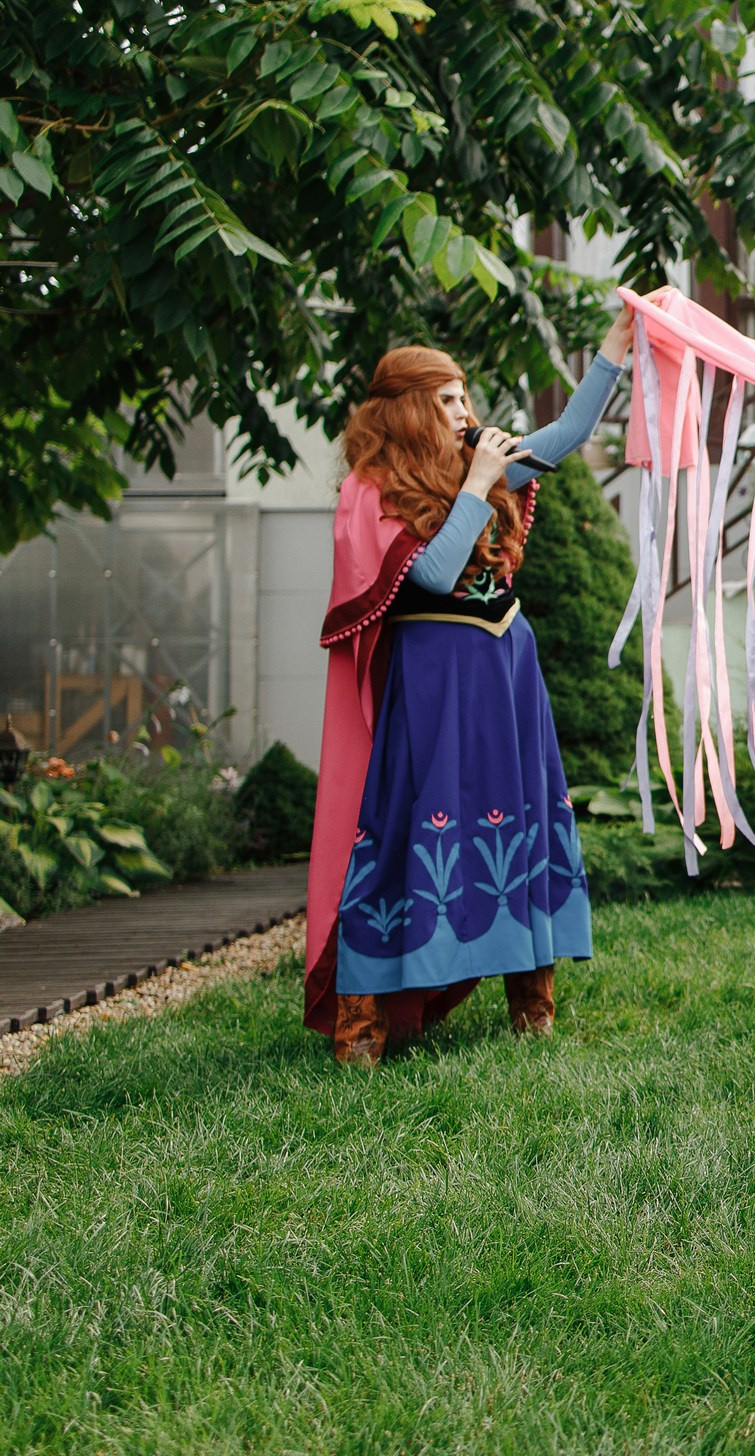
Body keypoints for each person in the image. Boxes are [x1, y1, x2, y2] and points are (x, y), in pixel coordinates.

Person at [305, 307, 637, 1065]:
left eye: (465, 396)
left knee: (517, 811)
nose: (467, 411)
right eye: (449, 399)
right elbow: (430, 572)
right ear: (411, 408)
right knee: (408, 826)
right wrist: (480, 481)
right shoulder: (372, 486)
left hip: (505, 669)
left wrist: (611, 353)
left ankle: (533, 1003)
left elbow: (565, 439)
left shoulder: (471, 465)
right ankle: (362, 1025)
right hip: (432, 681)